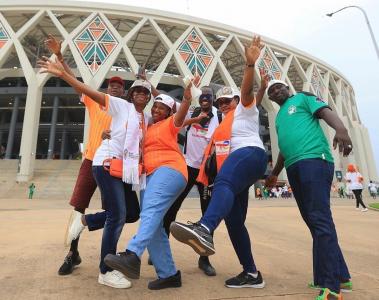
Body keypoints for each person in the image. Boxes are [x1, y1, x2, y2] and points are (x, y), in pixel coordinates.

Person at [38, 56, 153, 289]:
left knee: (132, 212)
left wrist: (150, 81)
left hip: (125, 170)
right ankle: (106, 270)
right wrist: (63, 73)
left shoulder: (146, 119)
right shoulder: (122, 106)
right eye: (137, 90)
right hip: (104, 162)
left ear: (149, 97)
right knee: (117, 215)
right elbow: (89, 91)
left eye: (146, 92)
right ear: (130, 94)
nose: (141, 93)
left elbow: (168, 105)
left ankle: (85, 220)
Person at [170, 36, 268, 289]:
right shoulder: (221, 124)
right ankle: (251, 273)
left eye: (228, 100)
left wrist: (249, 66)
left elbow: (248, 92)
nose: (224, 104)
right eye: (221, 102)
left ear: (236, 101)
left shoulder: (245, 110)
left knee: (224, 181)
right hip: (241, 166)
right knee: (235, 223)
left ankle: (204, 228)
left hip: (249, 154)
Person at [263, 72, 353, 299]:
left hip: (314, 160)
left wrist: (341, 129)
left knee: (320, 220)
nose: (275, 92)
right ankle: (341, 275)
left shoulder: (301, 98)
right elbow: (284, 147)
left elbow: (325, 111)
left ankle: (331, 286)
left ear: (287, 88)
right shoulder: (279, 116)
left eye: (278, 87)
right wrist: (274, 173)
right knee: (315, 222)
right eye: (271, 91)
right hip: (294, 166)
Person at [103, 82, 196, 290]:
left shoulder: (172, 123)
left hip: (170, 170)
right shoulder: (147, 126)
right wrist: (109, 133)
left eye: (161, 108)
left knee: (150, 212)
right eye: (155, 107)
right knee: (153, 225)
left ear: (169, 112)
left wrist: (188, 99)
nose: (155, 110)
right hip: (148, 176)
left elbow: (181, 116)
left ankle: (132, 254)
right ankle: (169, 274)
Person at [162, 86, 222, 276]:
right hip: (187, 167)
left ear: (213, 98)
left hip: (207, 171)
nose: (205, 98)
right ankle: (161, 251)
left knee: (207, 214)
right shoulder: (191, 111)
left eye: (208, 96)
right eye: (202, 95)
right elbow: (164, 99)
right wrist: (147, 81)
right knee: (171, 208)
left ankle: (204, 259)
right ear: (199, 98)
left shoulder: (220, 117)